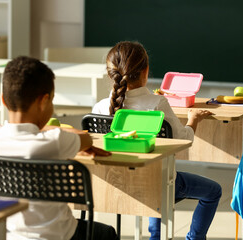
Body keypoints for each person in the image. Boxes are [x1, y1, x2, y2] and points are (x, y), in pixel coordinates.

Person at [92, 41, 222, 240]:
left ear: (111, 74)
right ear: (146, 70)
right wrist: (193, 120)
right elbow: (184, 141)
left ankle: (156, 235)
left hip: (114, 185)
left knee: (157, 182)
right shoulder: (157, 104)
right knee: (213, 191)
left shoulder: (100, 108)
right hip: (158, 184)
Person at [0, 56, 119, 240]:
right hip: (59, 235)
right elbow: (86, 138)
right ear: (43, 101)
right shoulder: (57, 140)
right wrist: (49, 129)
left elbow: (5, 129)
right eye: (52, 100)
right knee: (107, 234)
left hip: (10, 235)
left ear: (3, 100)